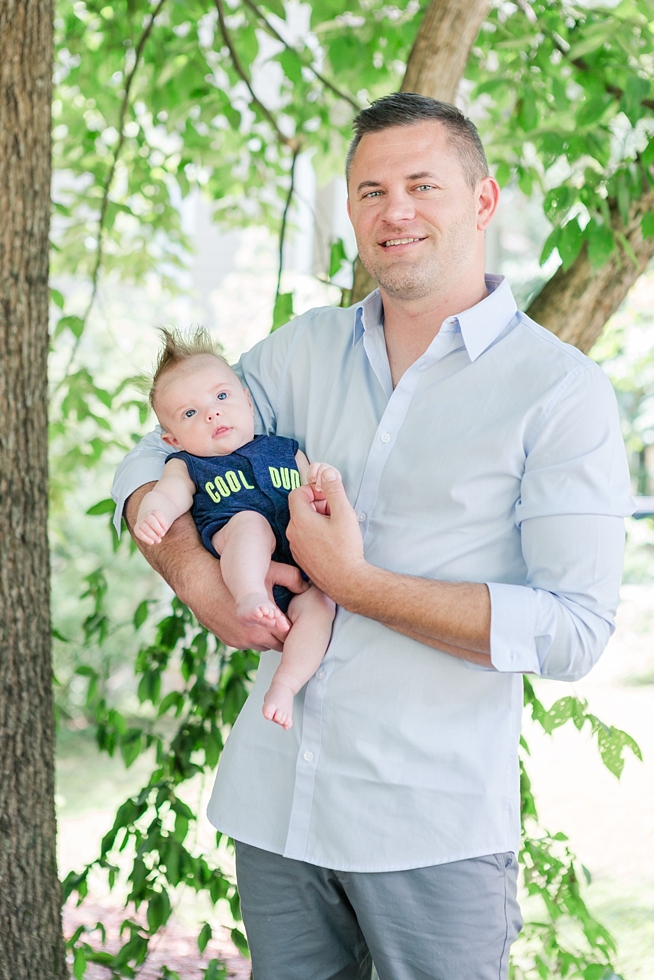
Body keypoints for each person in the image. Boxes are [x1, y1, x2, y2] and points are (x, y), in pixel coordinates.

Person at [112, 93, 632, 979]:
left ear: (482, 199)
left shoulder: (560, 392)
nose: (394, 210)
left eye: (422, 185)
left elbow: (574, 629)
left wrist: (352, 582)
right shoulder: (299, 352)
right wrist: (203, 586)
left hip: (429, 823)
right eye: (369, 191)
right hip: (280, 803)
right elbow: (155, 454)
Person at [133, 329, 336, 729]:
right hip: (237, 550)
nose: (212, 413)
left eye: (221, 397)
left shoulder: (285, 448)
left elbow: (311, 498)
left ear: (246, 398)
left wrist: (322, 496)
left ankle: (285, 684)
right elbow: (168, 494)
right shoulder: (187, 463)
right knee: (250, 524)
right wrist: (152, 513)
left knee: (320, 607)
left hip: (298, 567)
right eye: (190, 413)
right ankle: (248, 597)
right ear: (173, 438)